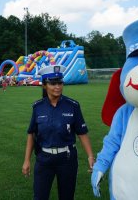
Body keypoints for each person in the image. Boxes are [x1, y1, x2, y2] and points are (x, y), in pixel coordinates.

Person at [22, 65, 95, 200]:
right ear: (44, 85)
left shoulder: (73, 106)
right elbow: (31, 134)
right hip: (44, 159)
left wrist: (90, 156)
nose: (58, 86)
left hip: (67, 159)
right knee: (39, 196)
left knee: (67, 197)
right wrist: (26, 160)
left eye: (60, 82)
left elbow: (82, 132)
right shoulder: (37, 107)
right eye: (53, 83)